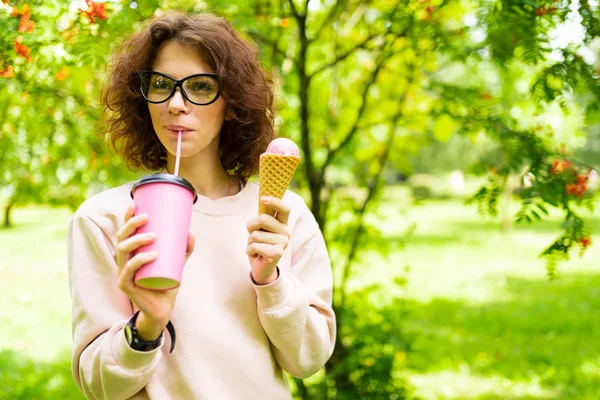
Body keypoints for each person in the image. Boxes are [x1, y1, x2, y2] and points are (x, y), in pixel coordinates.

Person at [67, 11, 336, 400]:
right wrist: (147, 326)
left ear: (232, 101)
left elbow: (308, 360)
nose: (176, 103)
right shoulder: (103, 220)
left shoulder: (279, 214)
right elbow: (99, 387)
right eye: (161, 84)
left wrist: (271, 282)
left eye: (200, 86)